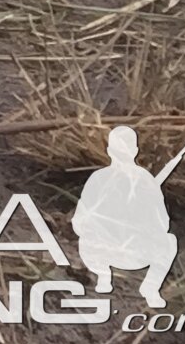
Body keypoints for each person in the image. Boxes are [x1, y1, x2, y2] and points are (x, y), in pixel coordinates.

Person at [74, 126, 178, 307]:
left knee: (85, 239)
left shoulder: (100, 177)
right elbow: (163, 224)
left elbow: (78, 221)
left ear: (108, 151)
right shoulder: (145, 180)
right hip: (135, 256)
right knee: (170, 241)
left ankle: (104, 276)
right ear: (135, 151)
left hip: (103, 253)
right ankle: (150, 287)